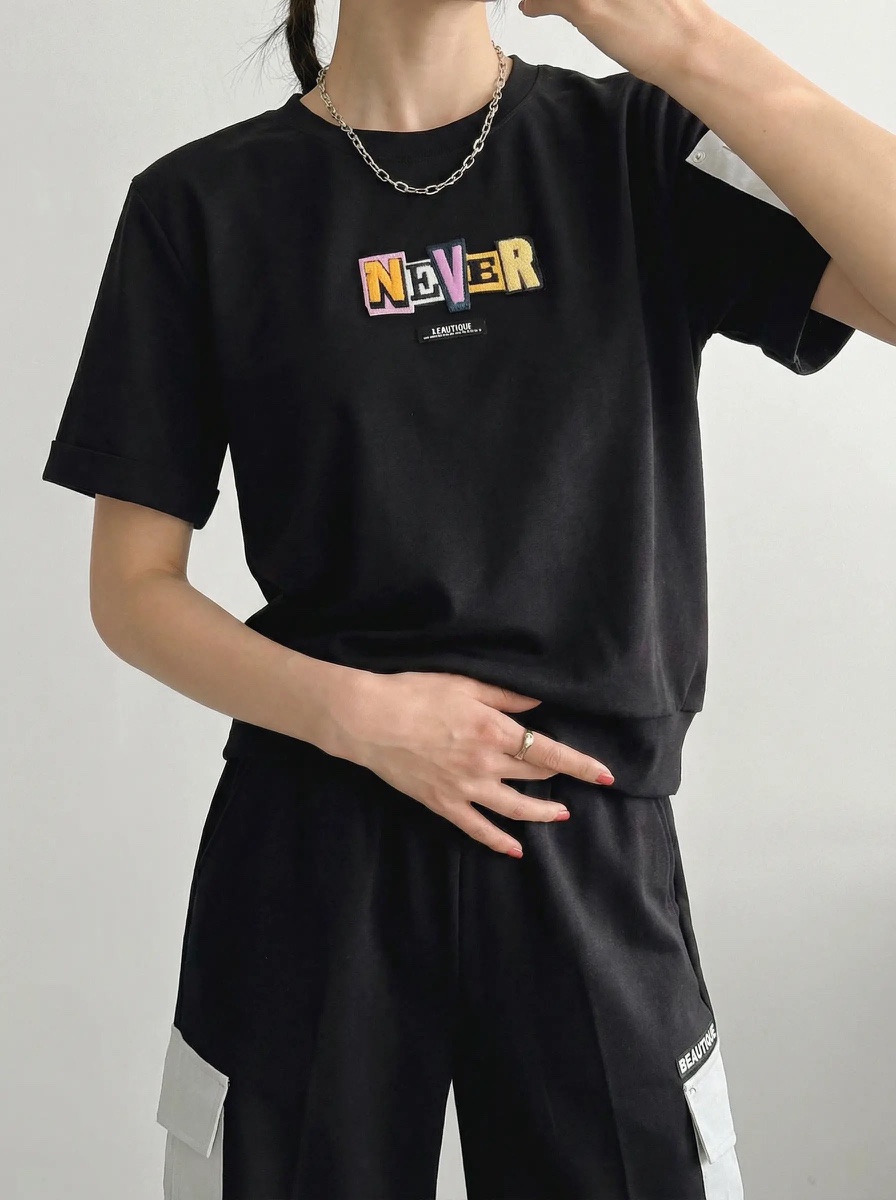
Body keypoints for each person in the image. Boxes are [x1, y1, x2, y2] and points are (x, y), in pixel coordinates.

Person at [40, 0, 861, 1196]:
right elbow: (130, 590)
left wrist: (678, 38)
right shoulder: (201, 203)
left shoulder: (637, 146)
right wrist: (361, 717)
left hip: (584, 834)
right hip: (312, 834)